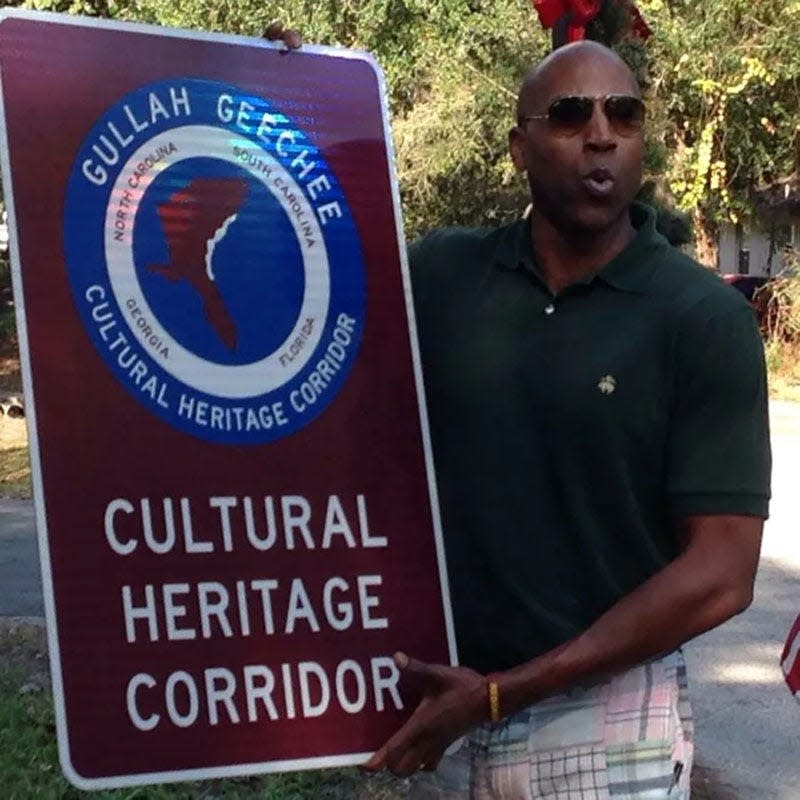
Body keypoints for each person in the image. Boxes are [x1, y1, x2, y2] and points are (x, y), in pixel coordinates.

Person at [266, 27, 771, 798]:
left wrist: (505, 692)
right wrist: (292, 103)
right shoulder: (445, 275)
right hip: (434, 704)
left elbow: (721, 576)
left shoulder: (700, 318)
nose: (601, 135)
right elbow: (308, 299)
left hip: (602, 719)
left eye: (623, 115)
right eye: (569, 115)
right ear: (519, 147)